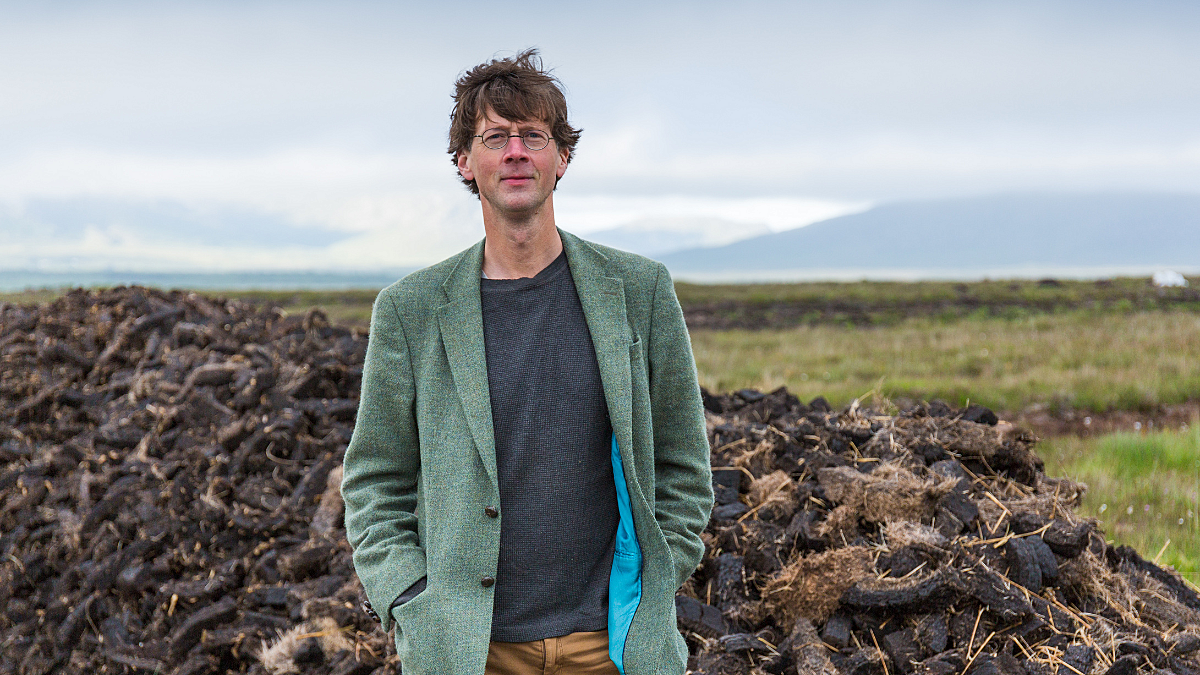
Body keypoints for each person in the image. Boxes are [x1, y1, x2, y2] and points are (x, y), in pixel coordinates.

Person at [341, 49, 713, 675]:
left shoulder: (639, 290)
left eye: (533, 136)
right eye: (494, 138)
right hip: (468, 649)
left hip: (613, 643)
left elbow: (683, 461)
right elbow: (375, 479)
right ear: (465, 161)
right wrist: (410, 601)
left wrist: (658, 578)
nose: (516, 152)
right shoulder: (411, 310)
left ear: (562, 158)